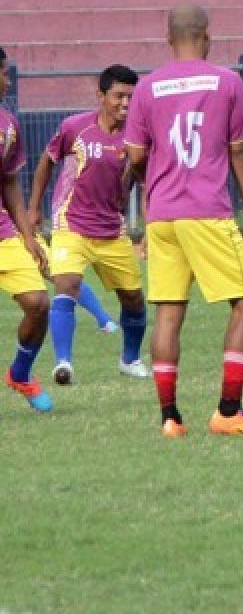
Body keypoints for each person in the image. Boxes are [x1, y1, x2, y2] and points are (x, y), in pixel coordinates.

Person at [124, 5, 243, 438]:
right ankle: (228, 410)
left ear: (169, 38)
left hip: (162, 216)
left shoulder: (148, 87)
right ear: (207, 35)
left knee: (169, 312)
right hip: (205, 210)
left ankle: (170, 419)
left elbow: (133, 156)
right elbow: (239, 150)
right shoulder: (227, 81)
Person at [28, 64, 148, 385]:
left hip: (112, 231)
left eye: (131, 98)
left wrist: (150, 229)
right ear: (101, 96)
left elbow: (149, 181)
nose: (125, 104)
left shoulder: (138, 137)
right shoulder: (74, 128)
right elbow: (46, 162)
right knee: (65, 285)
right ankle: (63, 363)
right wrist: (33, 209)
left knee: (134, 300)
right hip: (71, 225)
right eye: (119, 96)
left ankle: (130, 359)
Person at [0, 46, 52, 412]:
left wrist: (28, 236)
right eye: (4, 72)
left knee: (38, 304)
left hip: (2, 231)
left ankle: (20, 372)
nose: (7, 79)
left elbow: (10, 184)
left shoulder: (8, 124)